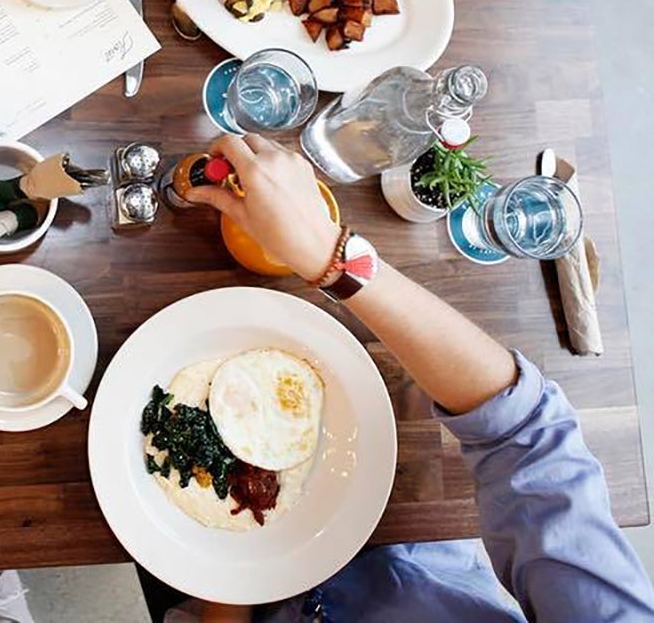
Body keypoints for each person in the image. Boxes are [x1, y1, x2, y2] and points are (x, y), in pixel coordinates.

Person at [156, 133, 654, 622]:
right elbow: (521, 431)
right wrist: (333, 257)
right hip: (405, 552)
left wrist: (233, 569)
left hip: (236, 588)